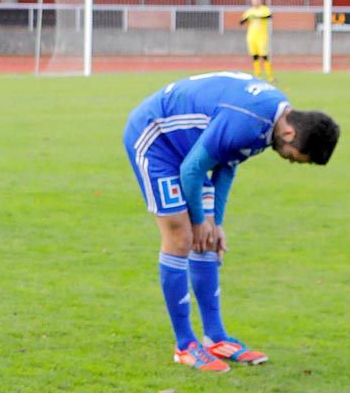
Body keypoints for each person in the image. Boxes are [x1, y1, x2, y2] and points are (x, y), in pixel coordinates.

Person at [122, 71, 337, 371]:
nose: (287, 159)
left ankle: (215, 337)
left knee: (208, 240)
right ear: (290, 134)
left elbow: (228, 164)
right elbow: (191, 171)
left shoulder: (273, 121)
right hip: (156, 140)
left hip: (189, 149)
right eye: (291, 157)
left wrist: (216, 222)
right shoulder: (249, 120)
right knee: (182, 236)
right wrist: (199, 220)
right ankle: (185, 345)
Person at [241, 0, 273, 82]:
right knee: (255, 57)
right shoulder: (249, 11)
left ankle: (271, 77)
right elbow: (241, 22)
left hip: (262, 37)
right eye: (254, 0)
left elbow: (269, 16)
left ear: (260, 0)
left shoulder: (264, 9)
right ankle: (258, 76)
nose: (256, 1)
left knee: (264, 56)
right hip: (251, 37)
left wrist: (258, 16)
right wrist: (247, 18)